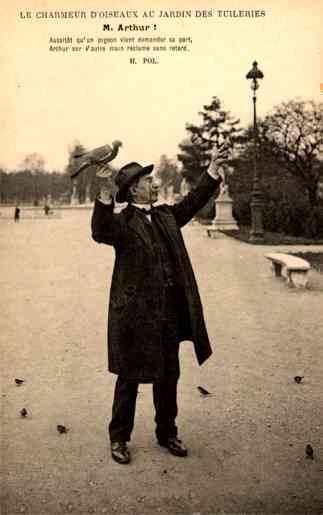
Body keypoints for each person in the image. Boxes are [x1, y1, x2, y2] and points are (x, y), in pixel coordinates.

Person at [91, 149, 224, 464]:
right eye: (148, 180)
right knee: (129, 376)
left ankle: (167, 432)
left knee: (169, 374)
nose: (154, 184)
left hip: (168, 312)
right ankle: (119, 438)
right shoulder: (121, 223)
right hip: (136, 315)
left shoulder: (166, 215)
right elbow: (99, 231)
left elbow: (192, 202)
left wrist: (212, 171)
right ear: (133, 188)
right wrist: (105, 194)